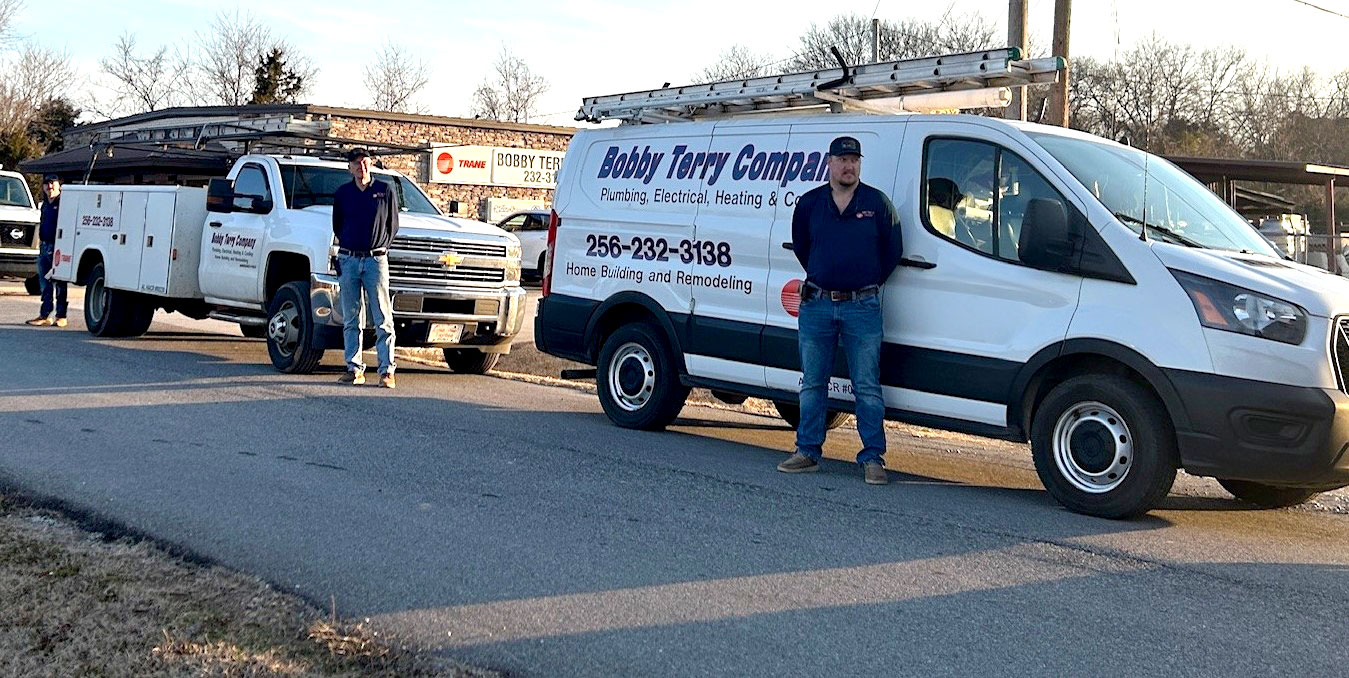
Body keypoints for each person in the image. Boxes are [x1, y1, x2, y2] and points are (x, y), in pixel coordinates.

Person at [776, 136, 903, 485]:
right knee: (813, 383)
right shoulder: (810, 203)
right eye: (842, 159)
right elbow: (803, 246)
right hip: (816, 305)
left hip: (862, 307)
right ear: (829, 162)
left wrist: (864, 283)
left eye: (854, 160)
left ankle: (873, 458)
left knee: (866, 385)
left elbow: (892, 251)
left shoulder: (877, 204)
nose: (849, 166)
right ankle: (807, 451)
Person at [332, 148, 399, 388]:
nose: (362, 167)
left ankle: (387, 371)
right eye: (357, 164)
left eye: (366, 163)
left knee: (382, 317)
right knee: (352, 317)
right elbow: (337, 226)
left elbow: (393, 225)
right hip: (349, 260)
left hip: (376, 261)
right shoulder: (343, 194)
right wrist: (349, 250)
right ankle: (354, 368)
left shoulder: (384, 191)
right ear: (350, 167)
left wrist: (380, 248)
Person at [26, 174, 68, 327]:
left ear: (59, 185)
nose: (49, 187)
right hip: (44, 246)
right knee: (45, 283)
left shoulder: (64, 203)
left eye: (52, 183)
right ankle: (45, 315)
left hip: (58, 247)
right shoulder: (45, 205)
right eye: (46, 184)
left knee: (60, 282)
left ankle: (61, 316)